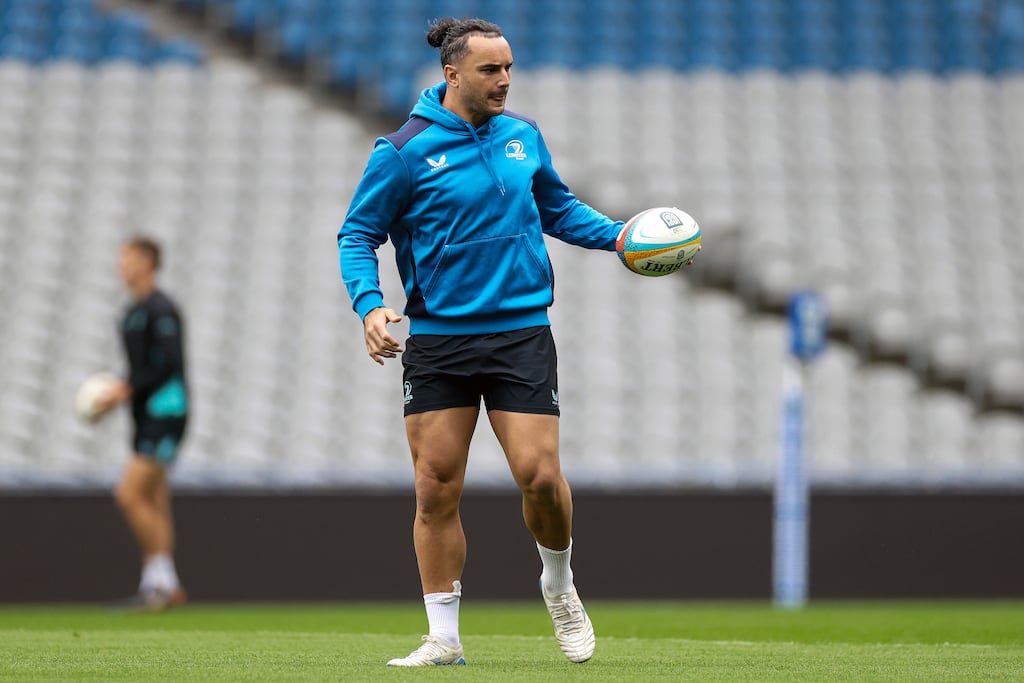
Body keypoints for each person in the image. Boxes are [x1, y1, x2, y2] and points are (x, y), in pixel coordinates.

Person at [338, 17, 696, 667]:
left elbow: (557, 209)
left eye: (508, 68)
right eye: (490, 70)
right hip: (440, 340)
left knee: (538, 475)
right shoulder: (403, 150)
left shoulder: (523, 137)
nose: (504, 80)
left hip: (519, 334)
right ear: (453, 75)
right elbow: (357, 234)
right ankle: (443, 636)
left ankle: (558, 582)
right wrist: (369, 305)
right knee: (434, 486)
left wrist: (618, 236)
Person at [94, 236, 189, 611]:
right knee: (154, 499)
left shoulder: (161, 310)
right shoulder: (131, 313)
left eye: (128, 259)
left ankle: (163, 582)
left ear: (148, 262)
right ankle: (160, 586)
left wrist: (126, 389)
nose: (121, 266)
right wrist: (125, 392)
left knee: (129, 495)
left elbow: (169, 363)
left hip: (166, 413)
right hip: (146, 414)